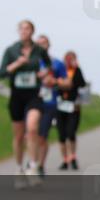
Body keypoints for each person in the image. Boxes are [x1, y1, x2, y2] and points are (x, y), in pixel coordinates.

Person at [0, 20, 51, 189]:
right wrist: (17, 64)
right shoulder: (11, 50)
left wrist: (44, 73)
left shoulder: (39, 50)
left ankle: (33, 167)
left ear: (32, 31)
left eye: (27, 28)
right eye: (21, 28)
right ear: (18, 31)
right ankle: (19, 168)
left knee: (33, 128)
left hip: (34, 95)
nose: (24, 31)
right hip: (17, 95)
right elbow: (2, 73)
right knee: (19, 136)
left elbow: (48, 64)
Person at [34, 35, 66, 178]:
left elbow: (67, 82)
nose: (41, 46)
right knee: (31, 133)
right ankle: (33, 161)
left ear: (49, 45)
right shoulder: (31, 62)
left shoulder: (57, 63)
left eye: (44, 43)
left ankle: (40, 164)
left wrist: (55, 81)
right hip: (32, 101)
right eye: (38, 44)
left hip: (49, 102)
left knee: (42, 136)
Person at [55, 51, 86, 170]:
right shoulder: (60, 71)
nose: (69, 61)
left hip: (73, 105)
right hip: (60, 104)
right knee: (62, 134)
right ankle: (65, 159)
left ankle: (73, 156)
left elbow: (82, 84)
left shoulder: (77, 71)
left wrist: (77, 67)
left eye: (72, 59)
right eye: (68, 59)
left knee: (71, 132)